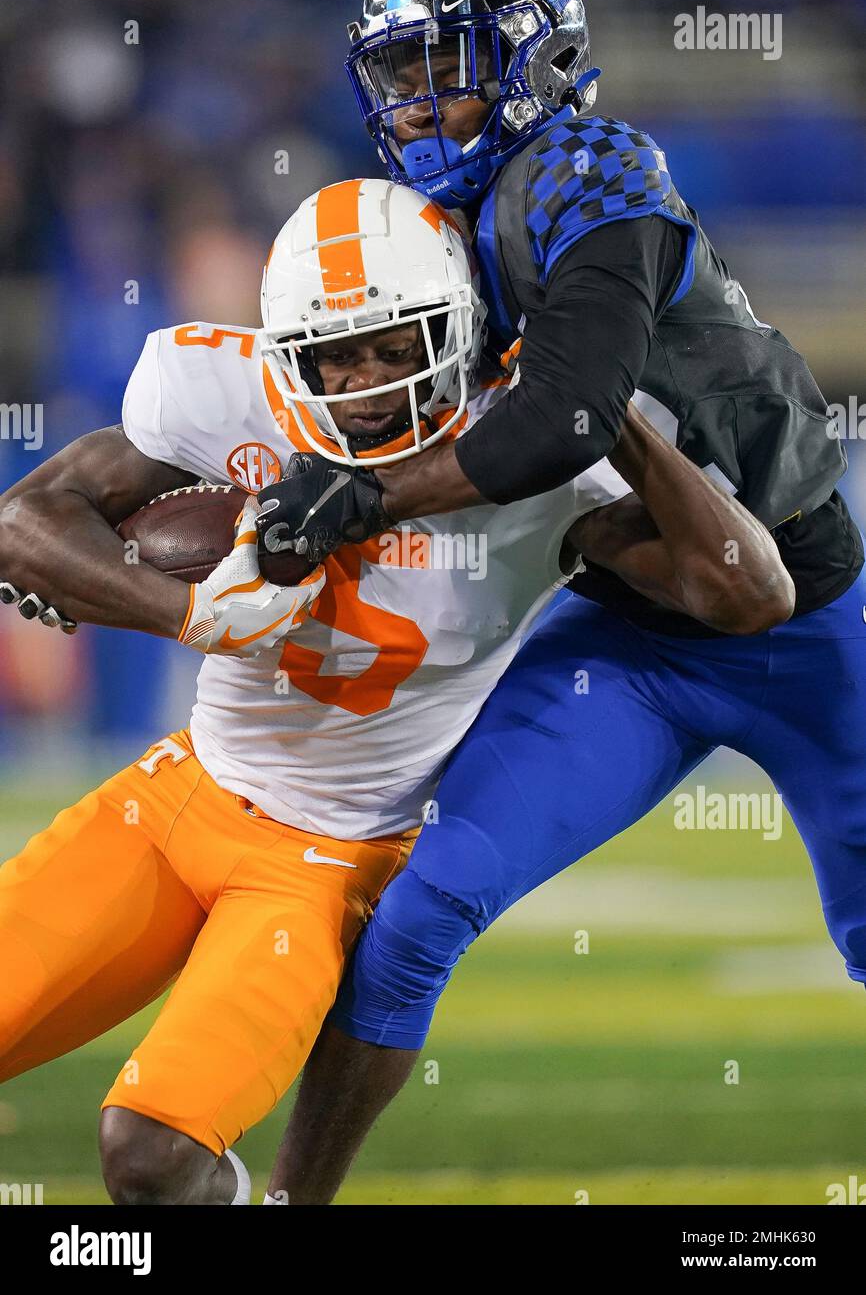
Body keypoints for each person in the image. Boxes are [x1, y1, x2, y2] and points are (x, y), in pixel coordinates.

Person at [0, 176, 786, 1203]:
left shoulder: (531, 469)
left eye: (395, 346)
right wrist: (179, 612)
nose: (366, 380)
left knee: (149, 1156)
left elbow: (746, 591)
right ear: (289, 351)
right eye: (338, 352)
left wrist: (600, 412)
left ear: (456, 336)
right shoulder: (217, 395)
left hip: (325, 860)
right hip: (177, 793)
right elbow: (27, 521)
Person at [257, 0, 866, 1205]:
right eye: (401, 74)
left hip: (814, 618)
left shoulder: (591, 167)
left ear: (539, 61)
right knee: (417, 915)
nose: (420, 103)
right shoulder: (421, 224)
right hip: (628, 634)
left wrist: (361, 500)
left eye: (448, 66)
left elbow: (568, 417)